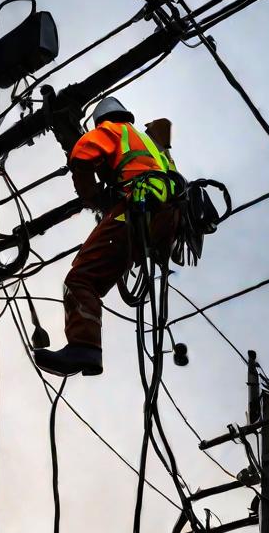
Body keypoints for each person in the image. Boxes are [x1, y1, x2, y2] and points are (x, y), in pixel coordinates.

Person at [34, 95, 180, 377]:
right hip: (163, 222)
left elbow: (82, 154)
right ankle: (85, 348)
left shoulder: (113, 130)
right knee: (100, 271)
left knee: (81, 279)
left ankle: (84, 346)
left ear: (102, 119)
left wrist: (91, 196)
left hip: (138, 209)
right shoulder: (154, 147)